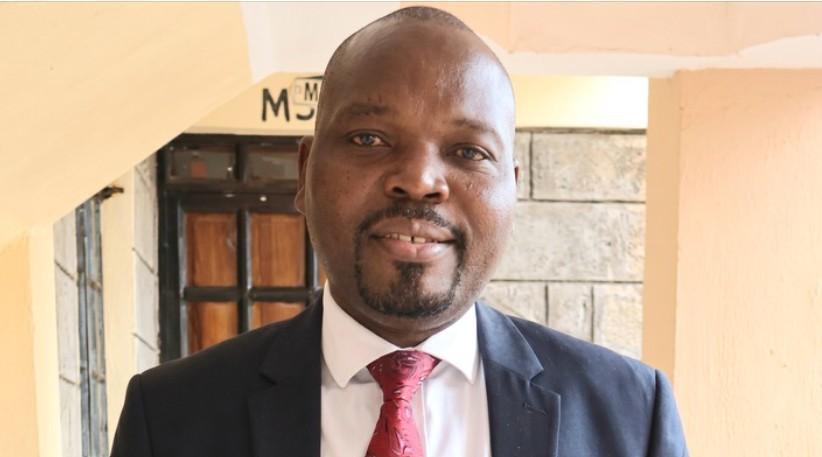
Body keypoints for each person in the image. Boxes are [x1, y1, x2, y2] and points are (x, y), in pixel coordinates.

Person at [111, 6, 687, 457]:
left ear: (512, 191)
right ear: (305, 173)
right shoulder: (170, 417)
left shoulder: (631, 416)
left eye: (468, 150)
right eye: (369, 139)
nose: (418, 180)